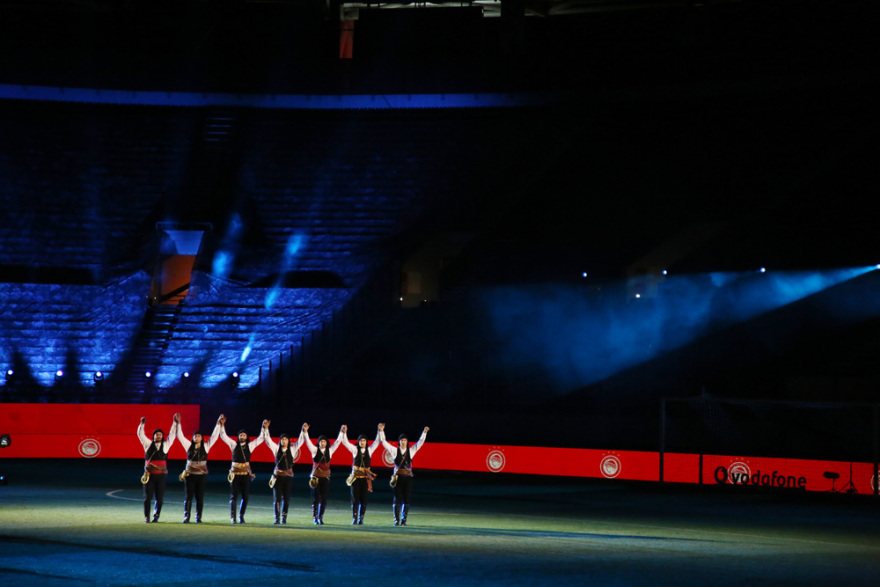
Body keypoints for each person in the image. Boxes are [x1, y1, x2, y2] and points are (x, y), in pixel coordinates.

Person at [218, 414, 268, 524]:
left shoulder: (250, 446)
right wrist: (222, 425)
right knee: (233, 496)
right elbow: (223, 435)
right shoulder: (233, 445)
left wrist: (264, 428)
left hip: (245, 474)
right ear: (238, 436)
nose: (242, 436)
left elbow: (261, 438)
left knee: (245, 496)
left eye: (244, 435)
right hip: (235, 474)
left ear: (247, 437)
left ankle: (241, 516)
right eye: (240, 435)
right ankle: (233, 517)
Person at [174, 413, 222, 524]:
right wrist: (178, 423)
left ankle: (198, 517)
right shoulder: (188, 446)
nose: (197, 437)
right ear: (193, 438)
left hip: (201, 476)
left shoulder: (206, 446)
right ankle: (186, 517)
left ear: (202, 438)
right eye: (195, 436)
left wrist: (218, 424)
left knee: (199, 497)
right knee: (188, 497)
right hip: (190, 475)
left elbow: (214, 436)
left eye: (199, 436)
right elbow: (180, 436)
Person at [379, 424, 429, 526]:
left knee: (406, 498)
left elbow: (420, 442)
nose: (403, 442)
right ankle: (396, 520)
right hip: (397, 479)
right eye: (402, 440)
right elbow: (384, 442)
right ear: (399, 441)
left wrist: (424, 432)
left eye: (405, 440)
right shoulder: (394, 451)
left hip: (407, 479)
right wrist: (381, 431)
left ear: (407, 442)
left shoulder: (411, 451)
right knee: (397, 498)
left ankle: (403, 520)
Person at [136, 413, 179, 523]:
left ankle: (156, 516)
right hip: (149, 475)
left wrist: (175, 422)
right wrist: (142, 424)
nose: (158, 436)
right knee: (147, 498)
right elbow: (140, 435)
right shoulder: (147, 444)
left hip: (161, 476)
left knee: (159, 498)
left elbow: (173, 434)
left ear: (162, 436)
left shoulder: (166, 445)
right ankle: (147, 517)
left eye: (160, 434)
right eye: (156, 434)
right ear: (153, 436)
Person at [262, 421, 306, 525]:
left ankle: (284, 518)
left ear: (288, 441)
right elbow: (268, 440)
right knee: (276, 498)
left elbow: (300, 441)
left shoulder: (293, 449)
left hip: (288, 477)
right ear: (280, 440)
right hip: (277, 476)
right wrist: (266, 428)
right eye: (282, 439)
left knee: (286, 499)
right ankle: (277, 518)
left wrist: (303, 430)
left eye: (285, 439)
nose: (284, 441)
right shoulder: (276, 449)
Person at [301, 423, 346, 525]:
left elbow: (338, 442)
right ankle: (315, 517)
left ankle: (320, 517)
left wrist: (341, 432)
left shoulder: (330, 451)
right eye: (321, 441)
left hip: (325, 478)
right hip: (315, 478)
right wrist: (305, 431)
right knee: (316, 498)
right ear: (319, 442)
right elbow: (307, 442)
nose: (322, 443)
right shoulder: (315, 450)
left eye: (324, 441)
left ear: (327, 443)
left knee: (324, 498)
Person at [340, 425, 382, 525]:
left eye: (364, 440)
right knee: (355, 499)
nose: (362, 442)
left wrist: (379, 431)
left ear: (366, 442)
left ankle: (361, 518)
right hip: (355, 479)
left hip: (365, 479)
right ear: (358, 442)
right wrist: (344, 432)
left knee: (364, 499)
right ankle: (354, 518)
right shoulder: (355, 450)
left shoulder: (369, 450)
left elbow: (377, 441)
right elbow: (345, 442)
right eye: (361, 441)